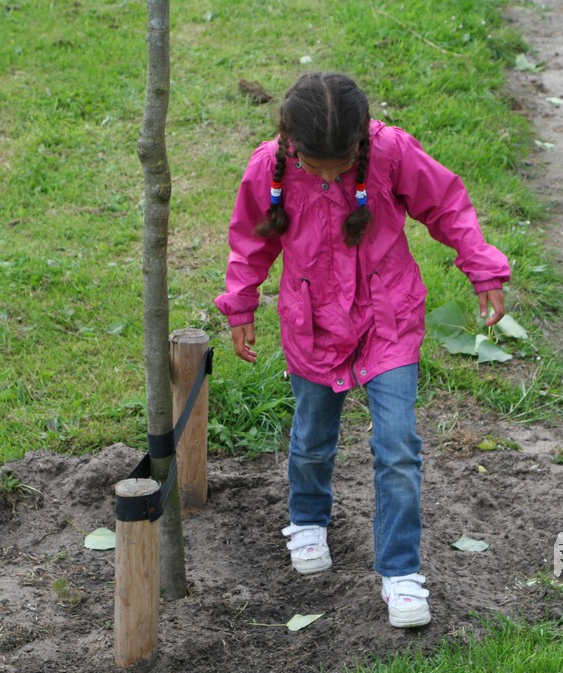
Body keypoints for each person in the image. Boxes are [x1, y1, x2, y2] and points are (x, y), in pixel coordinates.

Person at [215, 72, 510, 628]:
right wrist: (241, 304)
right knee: (312, 437)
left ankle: (401, 573)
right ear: (292, 142)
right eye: (316, 166)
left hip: (387, 320)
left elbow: (446, 206)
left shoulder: (391, 152)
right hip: (312, 325)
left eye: (341, 165)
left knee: (398, 448)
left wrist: (482, 267)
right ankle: (308, 519)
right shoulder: (269, 167)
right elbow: (250, 240)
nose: (329, 176)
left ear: (360, 141)